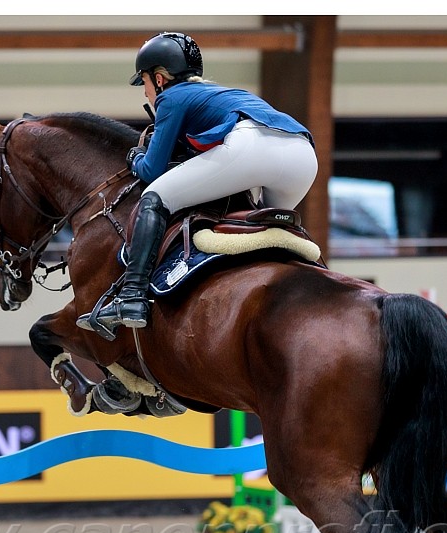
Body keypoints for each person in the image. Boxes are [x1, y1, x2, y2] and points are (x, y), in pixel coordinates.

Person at [81, 31, 319, 336]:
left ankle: (132, 296)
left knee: (155, 196)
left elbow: (152, 170)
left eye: (145, 83)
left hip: (253, 147)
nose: (146, 93)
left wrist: (134, 157)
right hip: (303, 156)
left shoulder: (171, 97)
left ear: (160, 78)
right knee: (266, 231)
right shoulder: (219, 92)